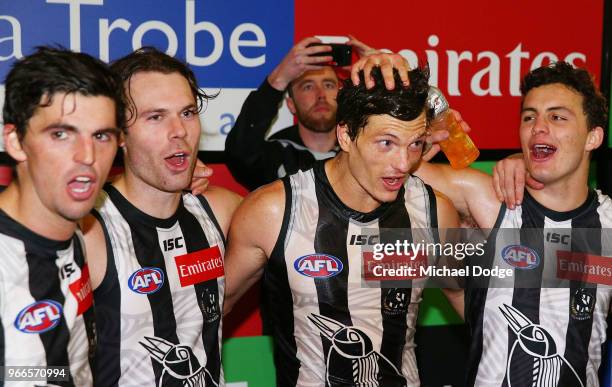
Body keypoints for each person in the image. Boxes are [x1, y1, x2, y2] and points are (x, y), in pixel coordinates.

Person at [355, 54, 611, 386]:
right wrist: (417, 139)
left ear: (593, 137)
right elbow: (373, 173)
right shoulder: (490, 201)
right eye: (529, 117)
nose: (539, 128)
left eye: (558, 117)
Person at [223, 64, 463, 386]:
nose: (404, 163)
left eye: (415, 144)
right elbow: (205, 313)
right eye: (386, 143)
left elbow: (481, 311)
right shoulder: (273, 211)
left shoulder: (435, 211)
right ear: (346, 135)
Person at [82, 47, 241, 386]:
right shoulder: (90, 229)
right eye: (155, 117)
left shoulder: (219, 211)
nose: (178, 131)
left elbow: (320, 216)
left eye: (187, 113)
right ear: (118, 134)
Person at [0, 47, 123, 386]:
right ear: (15, 141)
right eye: (61, 134)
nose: (87, 155)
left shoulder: (76, 230)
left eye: (101, 136)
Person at [225, 36, 378, 190]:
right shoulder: (276, 156)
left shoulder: (361, 150)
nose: (321, 94)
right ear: (291, 105)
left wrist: (382, 79)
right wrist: (278, 79)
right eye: (308, 86)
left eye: (328, 84)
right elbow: (239, 153)